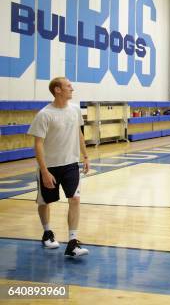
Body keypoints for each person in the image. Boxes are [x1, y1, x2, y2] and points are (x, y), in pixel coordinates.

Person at [27, 77, 90, 257]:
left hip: (71, 164)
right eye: (68, 86)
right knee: (44, 202)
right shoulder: (44, 114)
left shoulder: (75, 110)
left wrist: (85, 156)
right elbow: (38, 144)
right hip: (50, 167)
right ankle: (47, 232)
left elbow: (78, 134)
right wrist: (44, 171)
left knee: (75, 200)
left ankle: (72, 242)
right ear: (57, 90)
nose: (72, 88)